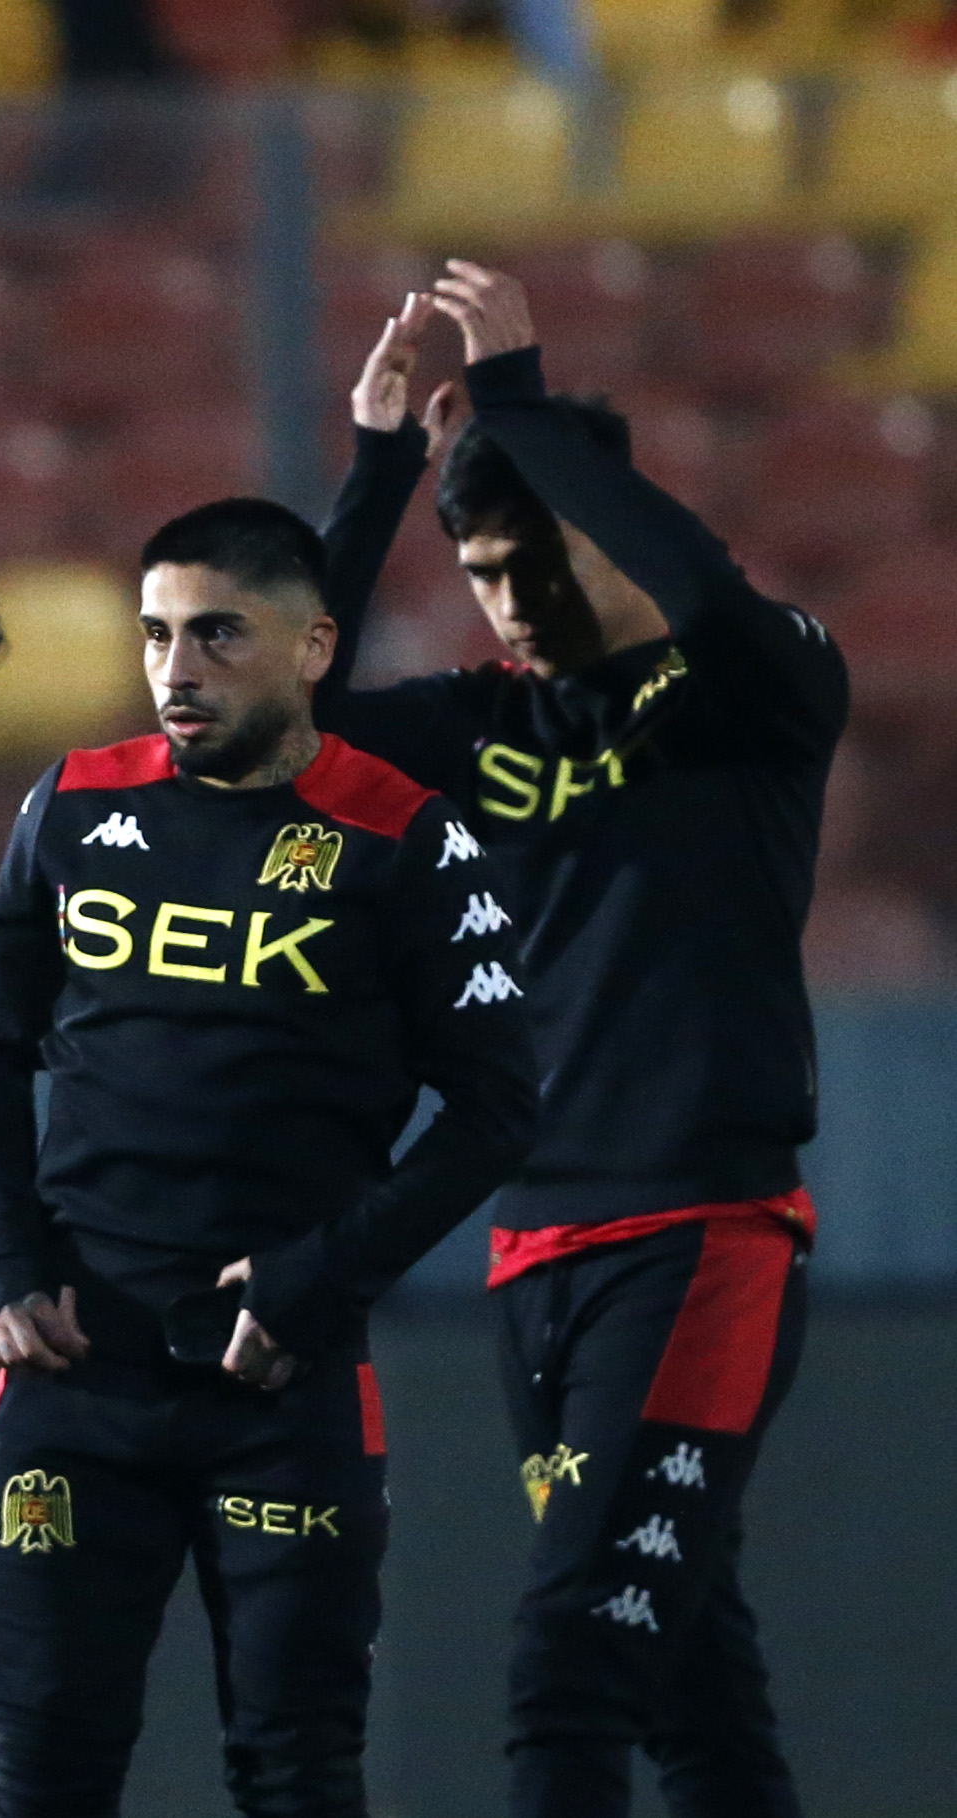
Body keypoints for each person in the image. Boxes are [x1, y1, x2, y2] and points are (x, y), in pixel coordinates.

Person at [315, 265, 847, 1818]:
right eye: (480, 572)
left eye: (540, 559)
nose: (511, 603)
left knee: (569, 1666)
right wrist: (370, 469)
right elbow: (303, 706)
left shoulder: (752, 686)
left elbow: (703, 593)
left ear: (604, 530)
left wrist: (528, 406)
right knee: (695, 1692)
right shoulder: (482, 727)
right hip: (531, 1250)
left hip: (698, 1234)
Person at [0, 499, 540, 1815]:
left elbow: (500, 1105)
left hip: (277, 1388)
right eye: (154, 633)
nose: (174, 667)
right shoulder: (75, 801)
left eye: (214, 632)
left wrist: (312, 1281)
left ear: (313, 644)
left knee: (294, 1770)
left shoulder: (404, 836)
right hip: (70, 1376)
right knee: (37, 1769)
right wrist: (2, 1267)